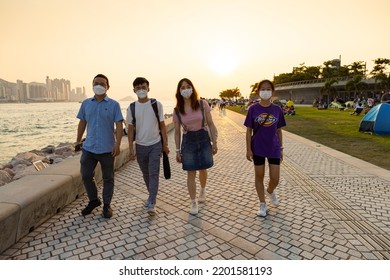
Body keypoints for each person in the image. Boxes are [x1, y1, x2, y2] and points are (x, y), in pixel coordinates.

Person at [76, 74, 124, 219]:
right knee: (85, 175)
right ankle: (93, 200)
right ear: (92, 85)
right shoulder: (86, 103)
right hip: (89, 148)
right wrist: (78, 140)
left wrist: (118, 144)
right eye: (96, 83)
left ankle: (107, 205)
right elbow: (82, 122)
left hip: (107, 149)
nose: (99, 86)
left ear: (107, 87)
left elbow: (119, 125)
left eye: (102, 84)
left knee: (108, 178)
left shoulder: (114, 105)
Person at [173, 78, 218, 215]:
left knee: (203, 169)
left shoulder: (202, 104)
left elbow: (210, 124)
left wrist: (214, 143)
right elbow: (176, 132)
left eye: (188, 86)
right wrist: (177, 151)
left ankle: (203, 190)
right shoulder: (177, 110)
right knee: (190, 172)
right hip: (188, 140)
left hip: (203, 138)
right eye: (182, 87)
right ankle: (193, 202)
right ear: (179, 91)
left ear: (192, 88)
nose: (186, 89)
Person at [126, 77, 169, 215]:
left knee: (154, 173)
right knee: (146, 174)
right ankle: (151, 196)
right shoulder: (131, 107)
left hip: (155, 144)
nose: (141, 90)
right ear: (134, 90)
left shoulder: (157, 104)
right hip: (140, 146)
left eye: (143, 87)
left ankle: (152, 203)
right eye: (138, 88)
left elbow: (162, 126)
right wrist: (131, 149)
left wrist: (165, 144)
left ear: (148, 88)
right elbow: (131, 129)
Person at [244, 79, 286, 217]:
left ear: (272, 92)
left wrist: (280, 148)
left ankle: (270, 191)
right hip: (258, 148)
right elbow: (248, 130)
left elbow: (279, 131)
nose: (266, 91)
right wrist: (248, 149)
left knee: (275, 178)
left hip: (273, 147)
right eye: (263, 89)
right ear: (258, 92)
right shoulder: (253, 109)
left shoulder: (277, 109)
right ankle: (262, 204)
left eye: (268, 89)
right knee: (259, 176)